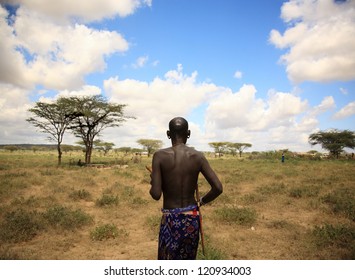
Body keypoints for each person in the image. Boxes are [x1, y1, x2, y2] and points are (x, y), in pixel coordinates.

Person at [149, 117, 223, 260]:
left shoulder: (159, 156)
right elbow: (218, 188)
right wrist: (200, 201)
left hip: (170, 219)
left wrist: (154, 181)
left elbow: (156, 194)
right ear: (188, 133)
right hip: (191, 218)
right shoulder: (198, 156)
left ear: (168, 134)